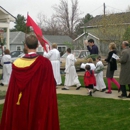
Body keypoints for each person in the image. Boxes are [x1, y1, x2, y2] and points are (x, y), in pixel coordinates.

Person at [0, 34, 60, 130]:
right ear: (37, 46)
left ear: (25, 46)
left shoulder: (17, 63)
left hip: (20, 99)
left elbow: (12, 88)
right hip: (38, 99)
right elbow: (50, 84)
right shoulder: (45, 63)